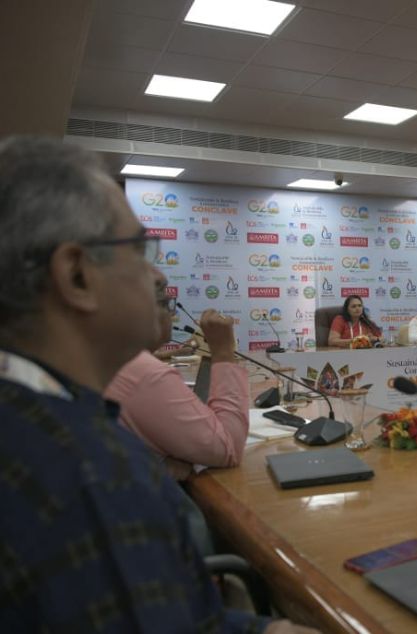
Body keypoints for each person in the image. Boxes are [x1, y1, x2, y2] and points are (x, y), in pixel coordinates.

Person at [0, 137, 311, 633]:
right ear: (77, 276)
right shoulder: (90, 475)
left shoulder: (42, 422)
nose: (155, 273)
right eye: (139, 249)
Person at [105, 285, 249, 480]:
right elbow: (229, 448)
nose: (172, 314)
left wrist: (159, 462)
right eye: (166, 303)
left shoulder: (108, 358)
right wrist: (223, 350)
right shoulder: (145, 373)